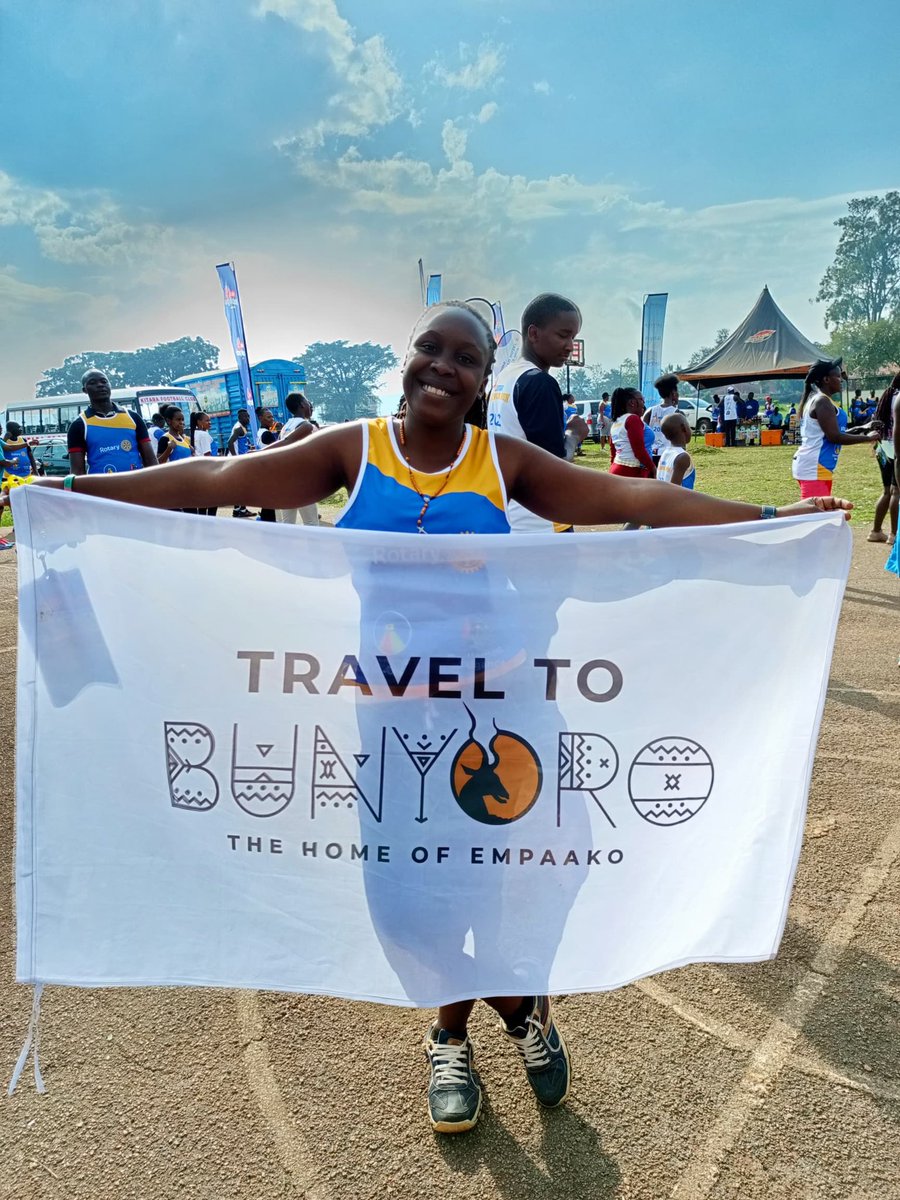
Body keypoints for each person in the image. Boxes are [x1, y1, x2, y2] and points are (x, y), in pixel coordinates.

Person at [18, 301, 853, 1135]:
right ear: (407, 359)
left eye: (464, 357)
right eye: (431, 348)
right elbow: (215, 482)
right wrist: (74, 491)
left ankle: (449, 1036)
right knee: (405, 905)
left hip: (499, 718)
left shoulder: (503, 462)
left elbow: (626, 496)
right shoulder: (356, 450)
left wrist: (776, 523)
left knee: (482, 890)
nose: (442, 366)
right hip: (390, 722)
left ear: (485, 380)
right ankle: (523, 1009)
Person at [487, 292, 581, 531]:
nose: (570, 346)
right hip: (544, 523)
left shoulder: (503, 379)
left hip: (511, 514)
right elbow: (553, 468)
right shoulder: (539, 383)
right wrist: (574, 434)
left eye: (574, 337)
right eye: (563, 335)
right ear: (533, 333)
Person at [791, 358, 880, 498]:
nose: (841, 380)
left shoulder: (823, 400)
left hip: (818, 466)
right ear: (826, 379)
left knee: (821, 513)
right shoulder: (822, 401)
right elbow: (834, 437)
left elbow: (833, 433)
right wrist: (867, 438)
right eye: (838, 376)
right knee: (816, 516)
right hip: (814, 467)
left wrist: (863, 427)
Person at [66, 369, 155, 475]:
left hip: (136, 486)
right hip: (100, 489)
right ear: (84, 390)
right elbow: (77, 472)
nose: (100, 385)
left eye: (104, 381)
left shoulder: (133, 417)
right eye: (93, 383)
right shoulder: (79, 425)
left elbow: (151, 461)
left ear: (109, 385)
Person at [273, 392, 320, 526]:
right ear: (302, 405)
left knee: (287, 524)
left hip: (285, 481)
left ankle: (285, 547)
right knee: (311, 523)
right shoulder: (305, 426)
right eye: (308, 401)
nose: (310, 405)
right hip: (301, 481)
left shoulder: (286, 426)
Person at [868, 370, 900, 545]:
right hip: (896, 448)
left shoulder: (888, 395)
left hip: (881, 447)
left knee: (887, 490)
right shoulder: (899, 397)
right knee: (897, 491)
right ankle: (894, 534)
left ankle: (876, 531)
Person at [0, 420, 39, 549]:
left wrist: (27, 444)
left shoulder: (19, 439)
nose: (21, 429)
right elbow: (6, 456)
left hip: (25, 476)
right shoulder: (2, 440)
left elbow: (26, 454)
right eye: (18, 427)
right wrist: (13, 461)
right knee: (8, 504)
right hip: (9, 478)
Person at [608, 387, 655, 479]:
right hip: (632, 471)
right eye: (642, 399)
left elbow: (613, 452)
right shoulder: (633, 419)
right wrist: (653, 468)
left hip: (617, 468)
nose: (644, 403)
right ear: (632, 402)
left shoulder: (617, 422)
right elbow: (639, 451)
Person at [643, 373, 681, 462]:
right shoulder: (676, 413)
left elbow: (642, 432)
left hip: (652, 454)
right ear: (674, 393)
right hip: (669, 455)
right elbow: (683, 437)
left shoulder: (650, 411)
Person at [226, 408, 255, 518]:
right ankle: (241, 511)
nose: (247, 418)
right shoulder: (239, 428)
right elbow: (229, 442)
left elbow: (241, 442)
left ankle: (238, 510)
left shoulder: (242, 427)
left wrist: (249, 446)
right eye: (245, 417)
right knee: (242, 487)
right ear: (239, 418)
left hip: (240, 459)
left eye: (248, 416)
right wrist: (235, 458)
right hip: (237, 461)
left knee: (239, 487)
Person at [189, 411, 218, 517]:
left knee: (202, 501)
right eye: (207, 420)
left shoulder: (194, 434)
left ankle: (203, 522)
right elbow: (207, 455)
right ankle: (211, 522)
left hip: (198, 470)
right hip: (207, 470)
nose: (209, 422)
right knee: (213, 501)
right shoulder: (204, 435)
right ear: (199, 422)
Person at [656, 413, 696, 489]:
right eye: (689, 426)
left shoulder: (665, 453)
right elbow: (674, 491)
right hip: (680, 500)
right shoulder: (682, 457)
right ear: (684, 428)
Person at [254, 409, 279, 523]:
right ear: (260, 418)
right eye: (268, 417)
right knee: (271, 503)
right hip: (270, 470)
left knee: (268, 502)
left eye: (272, 417)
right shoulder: (267, 434)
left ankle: (264, 520)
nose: (272, 419)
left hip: (264, 469)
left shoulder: (260, 432)